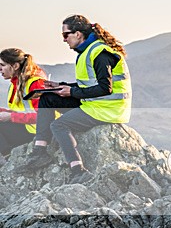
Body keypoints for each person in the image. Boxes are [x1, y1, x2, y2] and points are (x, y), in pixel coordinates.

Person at [23, 15, 132, 184]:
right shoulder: (87, 52)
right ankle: (40, 152)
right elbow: (89, 84)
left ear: (78, 34)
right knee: (48, 98)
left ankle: (78, 170)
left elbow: (105, 88)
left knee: (59, 125)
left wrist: (72, 92)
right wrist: (61, 86)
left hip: (108, 109)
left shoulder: (100, 53)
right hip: (95, 103)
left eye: (65, 35)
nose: (64, 39)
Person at [0, 48, 47, 164]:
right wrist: (4, 112)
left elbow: (43, 116)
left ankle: (7, 159)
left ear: (15, 66)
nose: (0, 69)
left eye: (2, 65)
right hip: (25, 127)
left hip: (37, 133)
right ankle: (7, 156)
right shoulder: (16, 83)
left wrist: (10, 117)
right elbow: (21, 111)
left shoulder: (35, 84)